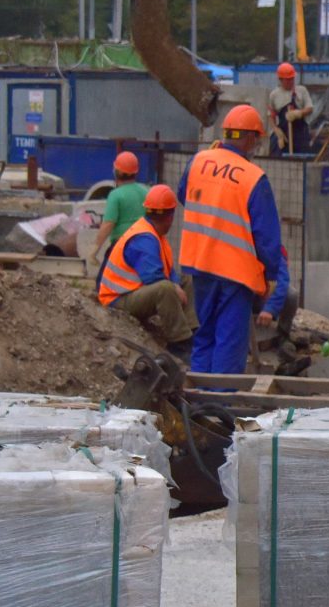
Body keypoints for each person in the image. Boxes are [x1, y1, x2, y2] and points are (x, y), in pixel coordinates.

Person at [180, 105, 292, 375]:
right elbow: (267, 238)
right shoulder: (253, 177)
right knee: (229, 341)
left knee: (205, 333)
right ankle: (221, 407)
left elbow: (184, 195)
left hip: (201, 264)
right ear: (251, 138)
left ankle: (199, 404)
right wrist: (270, 277)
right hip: (235, 272)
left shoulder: (198, 162)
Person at [97, 184, 196, 359]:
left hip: (131, 292)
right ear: (170, 216)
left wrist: (177, 283)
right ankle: (179, 343)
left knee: (186, 280)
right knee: (165, 289)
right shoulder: (144, 238)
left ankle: (192, 331)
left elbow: (168, 270)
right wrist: (174, 286)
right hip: (118, 299)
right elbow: (153, 277)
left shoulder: (153, 232)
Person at [98, 151, 148, 252]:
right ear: (135, 172)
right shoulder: (146, 191)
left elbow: (108, 224)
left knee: (108, 268)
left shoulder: (115, 195)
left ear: (117, 172)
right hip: (145, 244)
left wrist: (95, 249)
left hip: (122, 246)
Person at [266, 63, 316, 157]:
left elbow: (310, 108)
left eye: (292, 79)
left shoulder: (301, 91)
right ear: (280, 79)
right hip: (284, 136)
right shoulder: (274, 95)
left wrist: (299, 113)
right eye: (287, 80)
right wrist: (277, 130)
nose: (290, 81)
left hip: (301, 136)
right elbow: (271, 115)